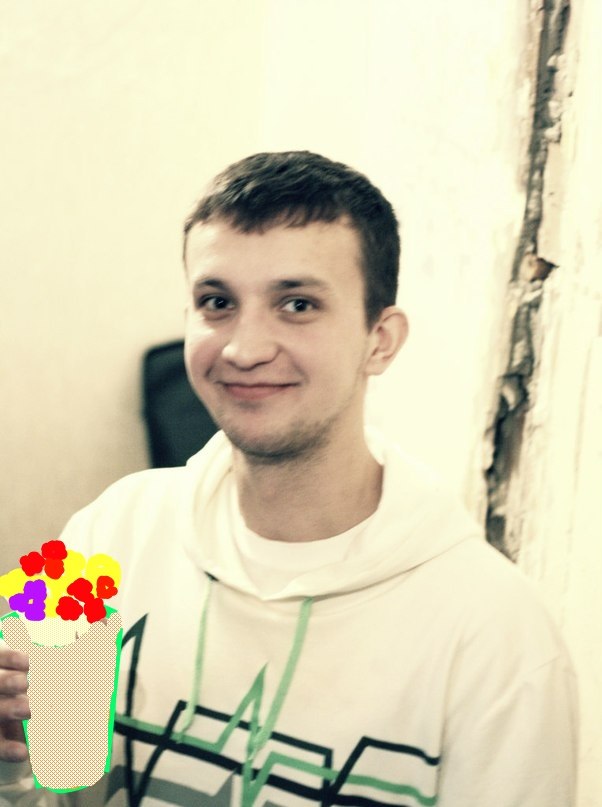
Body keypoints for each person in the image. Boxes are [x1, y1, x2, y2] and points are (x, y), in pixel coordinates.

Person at [0, 151, 577, 806]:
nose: (244, 348)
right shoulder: (107, 536)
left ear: (380, 340)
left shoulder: (499, 638)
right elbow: (51, 790)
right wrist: (10, 761)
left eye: (297, 304)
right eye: (217, 302)